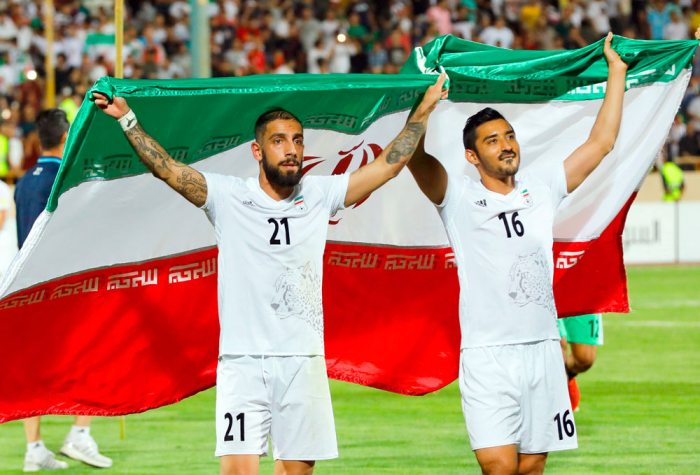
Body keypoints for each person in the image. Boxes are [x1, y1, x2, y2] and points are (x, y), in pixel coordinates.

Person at [93, 74, 447, 475]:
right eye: (279, 141)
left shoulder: (320, 194)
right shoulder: (228, 196)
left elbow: (389, 164)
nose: (291, 149)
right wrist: (127, 119)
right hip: (242, 362)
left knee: (297, 472)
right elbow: (168, 170)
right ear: (257, 151)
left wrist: (425, 108)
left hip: (302, 361)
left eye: (297, 140)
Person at [406, 33, 626, 474]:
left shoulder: (541, 188)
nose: (506, 144)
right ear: (472, 156)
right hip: (487, 354)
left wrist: (616, 72)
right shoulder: (457, 197)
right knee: (498, 466)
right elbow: (413, 156)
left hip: (543, 349)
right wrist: (423, 108)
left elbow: (600, 143)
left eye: (509, 136)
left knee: (532, 467)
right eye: (491, 140)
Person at [15, 109, 113, 472]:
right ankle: (80, 433)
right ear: (65, 137)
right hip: (63, 286)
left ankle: (34, 448)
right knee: (99, 351)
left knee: (33, 371)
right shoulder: (65, 179)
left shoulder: (24, 182)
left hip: (28, 286)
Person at [558, 313, 604, 411]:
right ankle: (558, 410)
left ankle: (567, 379)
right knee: (557, 345)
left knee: (585, 359)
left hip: (578, 302)